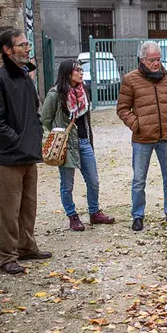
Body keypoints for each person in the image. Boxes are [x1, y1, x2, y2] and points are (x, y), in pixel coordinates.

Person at [0, 28, 51, 274]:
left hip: (28, 153)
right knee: (8, 209)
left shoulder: (24, 77)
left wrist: (35, 135)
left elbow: (33, 111)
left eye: (27, 45)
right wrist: (15, 140)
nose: (27, 49)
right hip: (10, 156)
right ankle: (7, 256)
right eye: (21, 45)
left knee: (28, 205)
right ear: (7, 50)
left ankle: (26, 247)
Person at [117, 41, 167, 232]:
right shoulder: (130, 79)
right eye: (152, 60)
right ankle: (138, 215)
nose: (156, 64)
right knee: (139, 180)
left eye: (158, 59)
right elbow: (123, 108)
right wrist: (136, 124)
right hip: (143, 138)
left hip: (166, 135)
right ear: (142, 60)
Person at [41, 59, 116, 232]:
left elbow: (85, 118)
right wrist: (57, 133)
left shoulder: (83, 91)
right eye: (78, 70)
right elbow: (45, 118)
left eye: (82, 70)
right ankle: (72, 216)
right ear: (68, 73)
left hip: (83, 141)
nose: (81, 73)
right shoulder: (55, 94)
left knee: (93, 180)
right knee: (67, 184)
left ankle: (94, 212)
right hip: (67, 145)